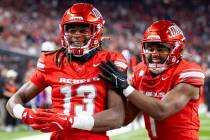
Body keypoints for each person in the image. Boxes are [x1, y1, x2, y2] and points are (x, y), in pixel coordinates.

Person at [6, 3, 127, 140]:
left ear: (97, 31)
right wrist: (23, 113)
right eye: (72, 30)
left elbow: (117, 117)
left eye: (83, 30)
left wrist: (70, 121)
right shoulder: (52, 61)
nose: (76, 35)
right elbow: (13, 101)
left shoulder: (109, 61)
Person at [99, 20, 205, 140]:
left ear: (177, 50)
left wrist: (125, 87)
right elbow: (124, 118)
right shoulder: (140, 72)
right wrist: (112, 90)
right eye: (150, 48)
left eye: (160, 49)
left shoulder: (188, 71)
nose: (154, 53)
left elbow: (161, 111)